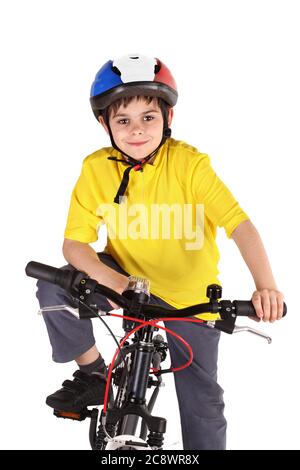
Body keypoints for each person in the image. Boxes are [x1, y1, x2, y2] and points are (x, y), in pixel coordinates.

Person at [36, 54, 284, 450]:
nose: (137, 130)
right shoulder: (96, 169)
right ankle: (93, 374)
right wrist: (122, 283)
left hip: (190, 298)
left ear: (168, 118)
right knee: (55, 288)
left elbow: (241, 226)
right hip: (125, 282)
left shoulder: (189, 165)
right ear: (105, 124)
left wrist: (266, 286)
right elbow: (75, 245)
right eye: (123, 120)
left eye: (148, 117)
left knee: (203, 403)